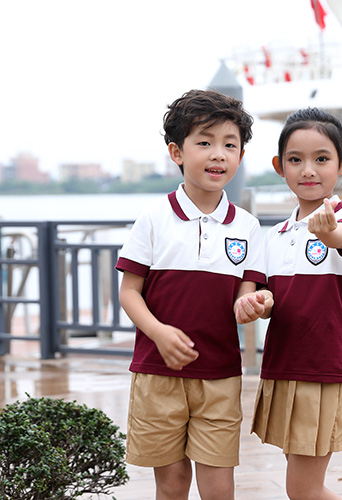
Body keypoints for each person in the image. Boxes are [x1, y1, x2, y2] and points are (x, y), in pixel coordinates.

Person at [116, 89, 272, 500]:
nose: (218, 154)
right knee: (171, 485)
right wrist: (160, 333)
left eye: (230, 145)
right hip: (156, 372)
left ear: (240, 155)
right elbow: (129, 292)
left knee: (219, 489)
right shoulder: (152, 218)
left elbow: (246, 295)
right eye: (204, 142)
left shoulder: (249, 228)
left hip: (220, 374)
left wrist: (251, 305)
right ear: (176, 152)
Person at [252, 107, 342, 500]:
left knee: (301, 489)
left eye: (322, 159)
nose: (308, 170)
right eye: (295, 160)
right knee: (306, 485)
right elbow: (269, 300)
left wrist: (328, 230)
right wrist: (259, 302)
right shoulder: (276, 234)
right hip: (283, 365)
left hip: (322, 369)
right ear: (279, 166)